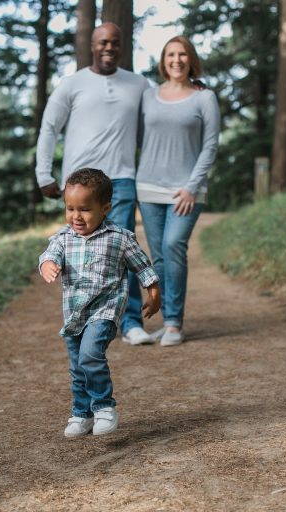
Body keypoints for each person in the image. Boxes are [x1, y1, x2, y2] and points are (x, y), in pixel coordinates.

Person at [35, 22, 155, 345]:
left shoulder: (139, 84)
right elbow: (49, 128)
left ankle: (130, 323)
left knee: (123, 249)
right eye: (103, 42)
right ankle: (87, 318)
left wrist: (192, 86)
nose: (109, 47)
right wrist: (44, 175)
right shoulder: (71, 84)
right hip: (79, 184)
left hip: (122, 179)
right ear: (92, 45)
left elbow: (156, 123)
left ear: (122, 47)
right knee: (80, 253)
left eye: (115, 42)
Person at [39, 169, 161, 437]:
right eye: (70, 209)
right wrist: (47, 264)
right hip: (74, 314)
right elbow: (49, 255)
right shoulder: (63, 238)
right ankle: (82, 414)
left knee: (90, 355)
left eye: (84, 209)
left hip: (105, 310)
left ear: (105, 208)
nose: (76, 216)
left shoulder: (119, 238)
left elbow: (143, 267)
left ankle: (104, 407)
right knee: (77, 366)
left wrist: (154, 293)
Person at [136, 35, 220, 347]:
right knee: (158, 256)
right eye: (170, 54)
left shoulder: (204, 98)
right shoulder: (148, 96)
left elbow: (210, 146)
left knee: (173, 245)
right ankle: (167, 320)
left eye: (182, 54)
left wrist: (191, 186)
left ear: (191, 60)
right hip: (148, 186)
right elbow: (141, 138)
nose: (176, 60)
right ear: (163, 60)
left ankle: (174, 324)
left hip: (187, 190)